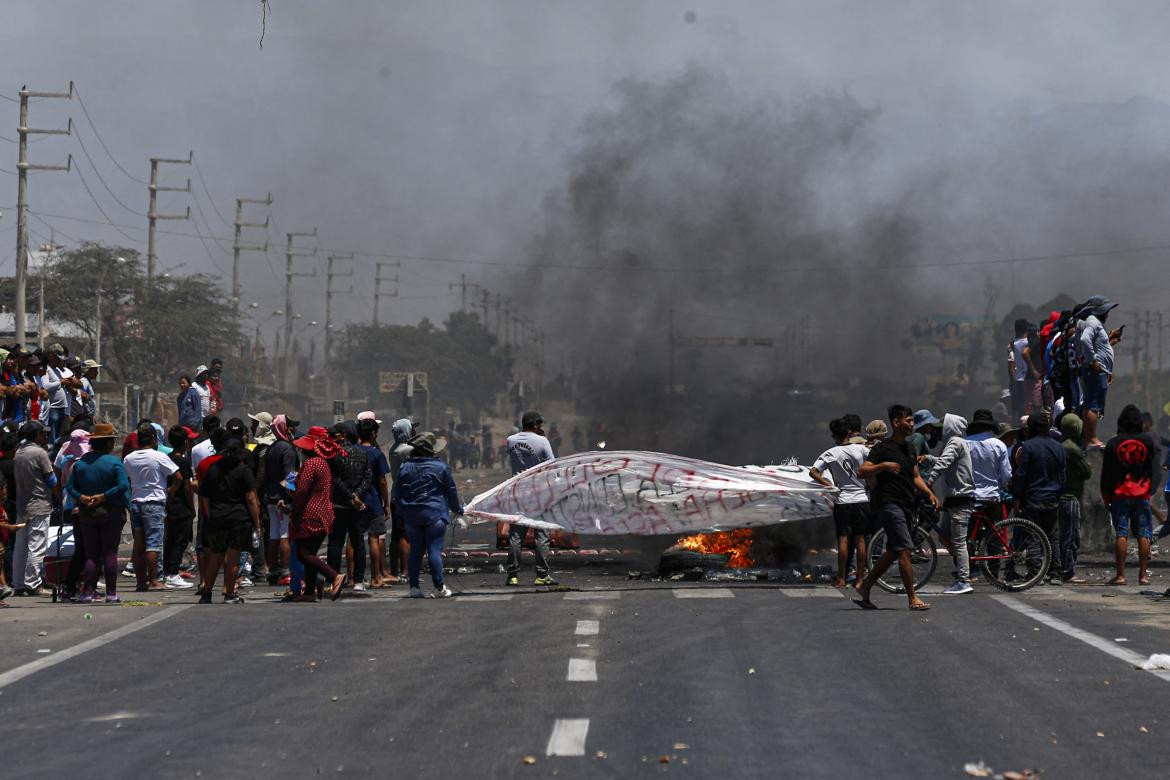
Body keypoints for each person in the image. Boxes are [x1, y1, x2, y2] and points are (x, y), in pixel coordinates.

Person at [853, 404, 940, 611]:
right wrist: (883, 466)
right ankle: (912, 598)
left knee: (892, 551)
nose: (911, 424)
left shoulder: (909, 448)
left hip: (908, 504)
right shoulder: (883, 448)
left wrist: (928, 492)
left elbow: (915, 475)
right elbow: (863, 471)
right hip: (890, 504)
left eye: (911, 420)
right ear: (896, 422)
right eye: (908, 420)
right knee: (903, 550)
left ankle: (864, 586)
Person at [394, 432, 462, 598]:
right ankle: (439, 587)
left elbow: (397, 493)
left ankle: (415, 588)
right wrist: (457, 509)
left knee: (416, 552)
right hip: (435, 514)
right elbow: (451, 491)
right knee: (434, 550)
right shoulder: (441, 467)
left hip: (412, 515)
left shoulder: (405, 467)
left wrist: (400, 514)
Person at [67, 423, 129, 603]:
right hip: (111, 511)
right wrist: (103, 496)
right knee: (109, 553)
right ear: (109, 443)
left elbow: (70, 487)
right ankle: (111, 593)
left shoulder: (81, 464)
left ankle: (87, 592)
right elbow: (123, 486)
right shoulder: (114, 462)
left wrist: (83, 497)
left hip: (87, 512)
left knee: (91, 554)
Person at [809, 417, 873, 587]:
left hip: (842, 500)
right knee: (860, 540)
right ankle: (860, 578)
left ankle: (842, 578)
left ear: (834, 435)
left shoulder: (830, 453)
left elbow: (814, 472)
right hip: (861, 499)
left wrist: (829, 485)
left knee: (843, 540)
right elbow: (874, 463)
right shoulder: (861, 450)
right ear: (849, 433)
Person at [197, 435, 261, 604]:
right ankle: (229, 594)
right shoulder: (244, 471)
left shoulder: (213, 468)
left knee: (215, 556)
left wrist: (209, 514)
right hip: (238, 518)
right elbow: (251, 498)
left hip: (217, 517)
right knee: (232, 557)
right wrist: (257, 523)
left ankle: (206, 593)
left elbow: (204, 496)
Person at [1101, 404, 1158, 587]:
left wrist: (1106, 496)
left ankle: (1120, 575)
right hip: (1141, 494)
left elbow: (1107, 473)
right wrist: (1150, 490)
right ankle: (1143, 576)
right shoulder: (1148, 442)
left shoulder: (1113, 443)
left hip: (1119, 495)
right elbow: (1154, 470)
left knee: (1121, 534)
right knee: (1144, 534)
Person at [288, 426, 345, 602]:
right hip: (324, 512)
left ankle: (334, 576)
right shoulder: (323, 463)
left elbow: (301, 491)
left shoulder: (311, 463)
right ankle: (310, 592)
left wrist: (294, 510)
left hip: (311, 513)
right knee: (310, 553)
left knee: (303, 554)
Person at [923, 413, 976, 595]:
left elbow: (944, 463)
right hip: (955, 499)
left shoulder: (955, 442)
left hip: (960, 498)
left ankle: (964, 580)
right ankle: (964, 566)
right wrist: (929, 459)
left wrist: (928, 482)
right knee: (945, 536)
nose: (938, 430)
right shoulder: (957, 443)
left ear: (949, 427)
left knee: (959, 542)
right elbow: (944, 461)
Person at [1011, 412, 1067, 584]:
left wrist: (1017, 497)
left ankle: (1036, 573)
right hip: (1052, 498)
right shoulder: (1059, 447)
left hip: (1032, 499)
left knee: (1033, 536)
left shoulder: (1028, 447)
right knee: (1052, 536)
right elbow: (1063, 475)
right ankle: (1056, 573)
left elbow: (1021, 475)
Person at [124, 423, 179, 592]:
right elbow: (178, 477)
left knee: (138, 544)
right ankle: (154, 579)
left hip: (136, 503)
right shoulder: (158, 457)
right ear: (154, 439)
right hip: (154, 504)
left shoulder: (129, 458)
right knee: (153, 544)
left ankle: (141, 582)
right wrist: (169, 491)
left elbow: (126, 479)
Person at [505, 411, 557, 586]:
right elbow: (552, 464)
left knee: (516, 536)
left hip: (518, 491)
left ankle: (512, 575)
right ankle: (541, 575)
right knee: (541, 535)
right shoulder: (542, 441)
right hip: (538, 492)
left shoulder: (511, 440)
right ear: (535, 425)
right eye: (539, 425)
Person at [12, 420, 58, 597]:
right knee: (36, 546)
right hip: (39, 505)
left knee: (21, 546)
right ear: (37, 435)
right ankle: (33, 584)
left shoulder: (19, 453)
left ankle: (18, 583)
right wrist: (59, 497)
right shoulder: (39, 453)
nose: (45, 436)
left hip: (23, 506)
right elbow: (51, 480)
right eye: (43, 434)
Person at [327, 422, 371, 591]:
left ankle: (334, 579)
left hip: (340, 504)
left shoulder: (335, 454)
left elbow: (335, 479)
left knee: (336, 542)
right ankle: (359, 581)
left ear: (343, 435)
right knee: (358, 542)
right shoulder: (362, 452)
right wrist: (356, 496)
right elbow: (368, 478)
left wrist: (350, 496)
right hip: (356, 506)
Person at [1078, 296, 1123, 448]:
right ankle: (1092, 439)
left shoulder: (1094, 322)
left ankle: (1089, 438)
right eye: (1106, 311)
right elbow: (1085, 340)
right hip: (1096, 370)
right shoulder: (1093, 321)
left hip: (1098, 369)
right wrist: (1094, 361)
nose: (1108, 314)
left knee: (1091, 403)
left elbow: (1096, 344)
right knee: (1093, 405)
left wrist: (1109, 340)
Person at [263, 414, 299, 586]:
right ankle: (286, 571)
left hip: (271, 498)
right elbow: (290, 476)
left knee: (273, 535)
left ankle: (273, 570)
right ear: (285, 428)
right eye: (290, 427)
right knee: (285, 534)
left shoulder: (272, 448)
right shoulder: (288, 449)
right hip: (283, 500)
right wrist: (291, 497)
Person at [357, 417, 393, 588]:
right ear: (372, 434)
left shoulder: (352, 451)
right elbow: (382, 482)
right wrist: (386, 504)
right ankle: (375, 578)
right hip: (373, 500)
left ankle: (354, 578)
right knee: (374, 538)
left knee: (353, 540)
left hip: (356, 501)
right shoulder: (376, 454)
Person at [1056, 413, 1091, 584]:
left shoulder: (1059, 446)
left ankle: (1059, 568)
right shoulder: (1073, 449)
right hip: (1071, 497)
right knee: (1071, 537)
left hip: (1057, 497)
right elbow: (1087, 472)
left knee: (1060, 535)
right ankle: (1068, 571)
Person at [163, 426, 197, 589]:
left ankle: (167, 572)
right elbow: (187, 487)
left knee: (170, 539)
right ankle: (173, 573)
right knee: (180, 541)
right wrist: (192, 508)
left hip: (169, 505)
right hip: (181, 506)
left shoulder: (167, 458)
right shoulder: (183, 462)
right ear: (184, 442)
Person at [387, 417, 414, 582]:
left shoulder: (394, 449)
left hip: (396, 495)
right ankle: (405, 570)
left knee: (396, 535)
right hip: (406, 496)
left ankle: (395, 570)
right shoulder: (407, 450)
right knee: (406, 535)